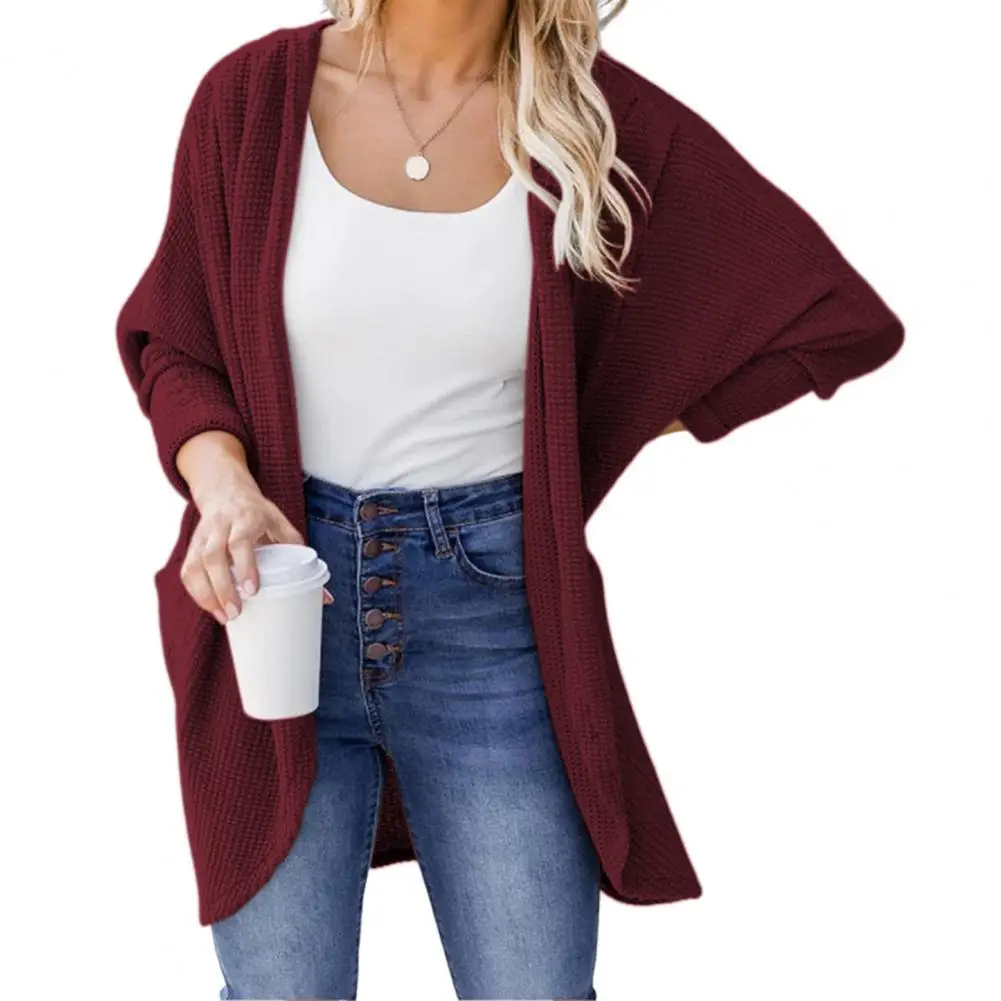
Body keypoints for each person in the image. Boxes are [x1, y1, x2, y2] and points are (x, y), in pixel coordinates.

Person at [115, 3, 905, 999]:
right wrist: (223, 483)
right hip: (274, 596)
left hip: (491, 613)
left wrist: (581, 430)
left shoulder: (594, 124)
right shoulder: (251, 100)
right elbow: (178, 343)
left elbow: (831, 321)